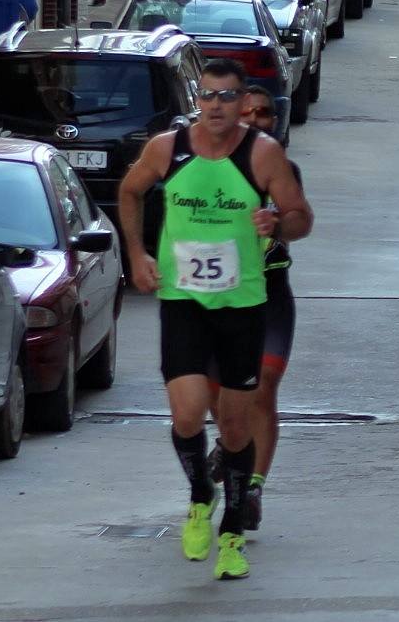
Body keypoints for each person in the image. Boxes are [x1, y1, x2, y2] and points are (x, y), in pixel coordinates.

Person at [118, 59, 313, 581]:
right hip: (184, 301)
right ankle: (200, 496)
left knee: (232, 425)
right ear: (196, 100)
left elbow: (302, 217)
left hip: (243, 306)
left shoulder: (262, 154)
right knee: (186, 416)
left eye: (227, 97)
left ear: (240, 100)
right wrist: (136, 255)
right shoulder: (168, 149)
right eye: (207, 96)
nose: (217, 107)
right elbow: (130, 191)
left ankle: (231, 533)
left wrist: (277, 222)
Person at [204, 85, 301, 533]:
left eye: (265, 113)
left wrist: (279, 221)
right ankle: (228, 442)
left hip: (269, 300)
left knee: (262, 390)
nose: (259, 119)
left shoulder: (282, 170)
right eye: (250, 113)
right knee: (214, 393)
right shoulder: (207, 169)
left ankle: (254, 488)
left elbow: (298, 220)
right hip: (216, 301)